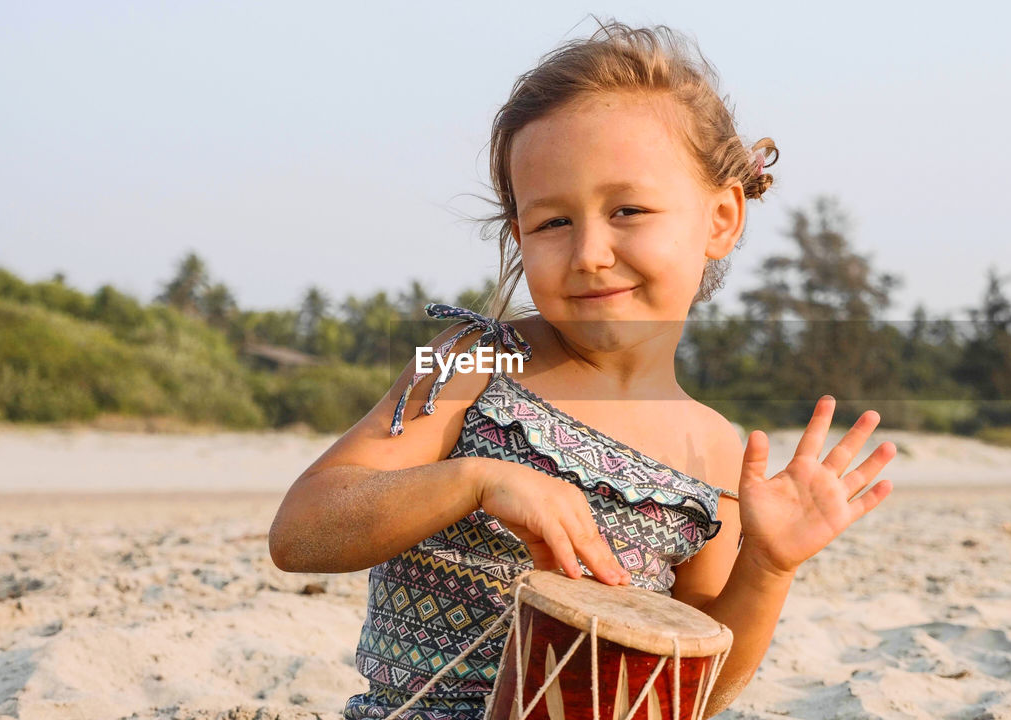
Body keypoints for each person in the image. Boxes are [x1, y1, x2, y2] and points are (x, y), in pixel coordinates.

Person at [268, 18, 896, 720]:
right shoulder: (473, 357)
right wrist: (476, 480)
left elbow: (695, 690)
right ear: (518, 236)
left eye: (628, 210)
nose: (590, 251)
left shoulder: (714, 449)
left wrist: (768, 566)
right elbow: (300, 529)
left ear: (721, 218)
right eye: (552, 223)